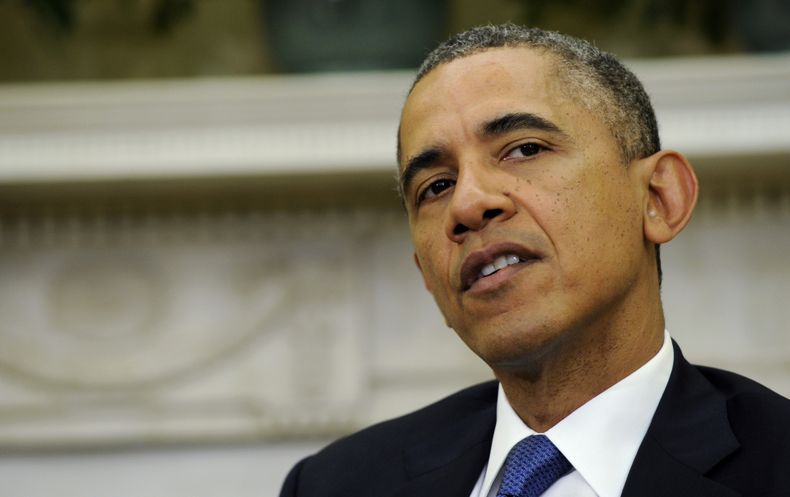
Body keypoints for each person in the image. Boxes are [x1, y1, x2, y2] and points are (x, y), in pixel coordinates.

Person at [280, 24, 790, 497]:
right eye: (435, 186)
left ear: (659, 199)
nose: (467, 204)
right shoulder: (335, 484)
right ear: (428, 279)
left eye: (523, 149)